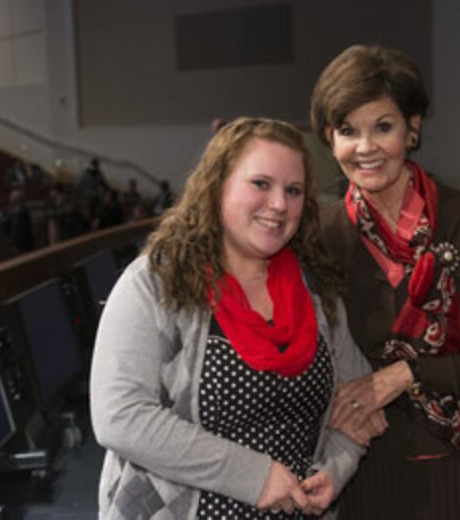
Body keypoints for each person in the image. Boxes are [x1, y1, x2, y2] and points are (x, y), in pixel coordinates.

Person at [90, 117, 381, 519]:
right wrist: (254, 476)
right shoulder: (156, 283)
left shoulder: (316, 290)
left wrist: (335, 470)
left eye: (293, 190)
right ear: (218, 186)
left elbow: (358, 401)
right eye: (261, 184)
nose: (279, 204)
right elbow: (119, 417)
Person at [312, 44, 460, 518]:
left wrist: (408, 374)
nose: (365, 147)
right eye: (348, 131)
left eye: (383, 127)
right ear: (330, 139)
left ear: (412, 129)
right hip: (371, 471)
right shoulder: (320, 237)